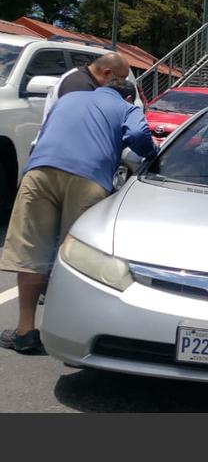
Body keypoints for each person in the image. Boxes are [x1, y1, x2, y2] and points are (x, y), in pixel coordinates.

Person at [0, 79, 157, 354]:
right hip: (88, 179)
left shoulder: (68, 99)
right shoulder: (126, 108)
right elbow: (140, 137)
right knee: (77, 256)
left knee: (33, 253)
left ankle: (25, 331)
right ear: (130, 98)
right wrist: (151, 155)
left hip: (40, 172)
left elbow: (45, 133)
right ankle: (72, 333)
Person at [31, 52, 132, 151]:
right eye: (120, 80)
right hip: (56, 155)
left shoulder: (82, 78)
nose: (121, 85)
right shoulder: (80, 86)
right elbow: (79, 129)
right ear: (107, 73)